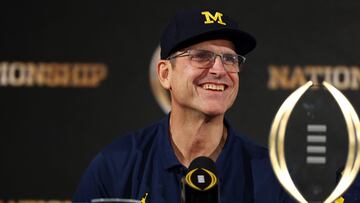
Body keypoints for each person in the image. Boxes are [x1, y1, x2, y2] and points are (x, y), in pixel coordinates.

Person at [73, 8, 294, 202]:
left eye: (230, 59)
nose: (219, 70)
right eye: (201, 56)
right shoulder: (115, 166)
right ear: (165, 74)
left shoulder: (271, 176)